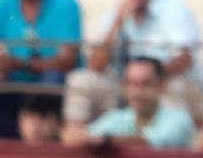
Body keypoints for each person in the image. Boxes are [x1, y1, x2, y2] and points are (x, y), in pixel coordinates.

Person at [64, 0, 203, 133]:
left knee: (173, 89)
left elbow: (185, 58)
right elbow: (95, 64)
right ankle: (78, 143)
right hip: (128, 84)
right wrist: (116, 23)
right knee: (81, 81)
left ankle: (169, 149)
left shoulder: (174, 9)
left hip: (165, 80)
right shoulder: (116, 14)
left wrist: (151, 79)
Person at [65, 55, 194, 150]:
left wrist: (104, 140)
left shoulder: (178, 118)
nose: (137, 92)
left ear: (161, 85)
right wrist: (74, 136)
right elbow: (83, 135)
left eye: (146, 84)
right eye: (132, 84)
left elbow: (151, 141)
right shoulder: (118, 117)